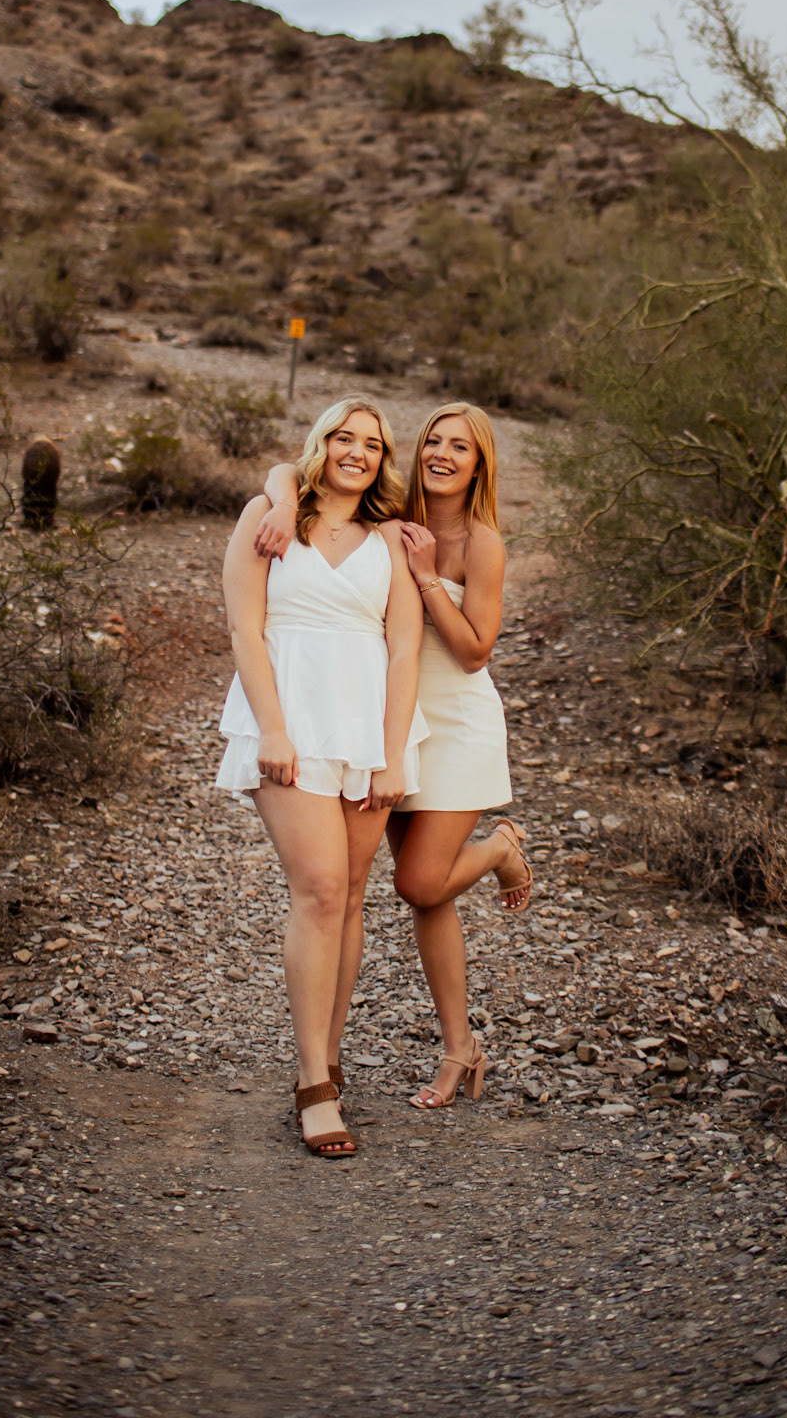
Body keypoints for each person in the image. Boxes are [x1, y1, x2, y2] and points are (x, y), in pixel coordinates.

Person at [256, 401, 530, 1111]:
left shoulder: (482, 543)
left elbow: (474, 652)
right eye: (433, 441)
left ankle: (500, 848)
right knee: (421, 898)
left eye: (460, 447)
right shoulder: (390, 509)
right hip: (382, 721)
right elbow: (292, 470)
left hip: (454, 720)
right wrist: (282, 501)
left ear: (480, 463)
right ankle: (458, 1047)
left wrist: (427, 575)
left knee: (419, 883)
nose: (441, 454)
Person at [218, 397, 427, 1157]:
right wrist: (273, 729)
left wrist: (392, 753)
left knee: (351, 897)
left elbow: (403, 649)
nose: (357, 451)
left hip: (367, 730)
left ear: (382, 460)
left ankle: (330, 1059)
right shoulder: (267, 517)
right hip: (290, 721)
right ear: (321, 443)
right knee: (319, 890)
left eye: (372, 443)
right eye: (344, 437)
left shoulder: (391, 537)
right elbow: (245, 629)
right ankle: (312, 1084)